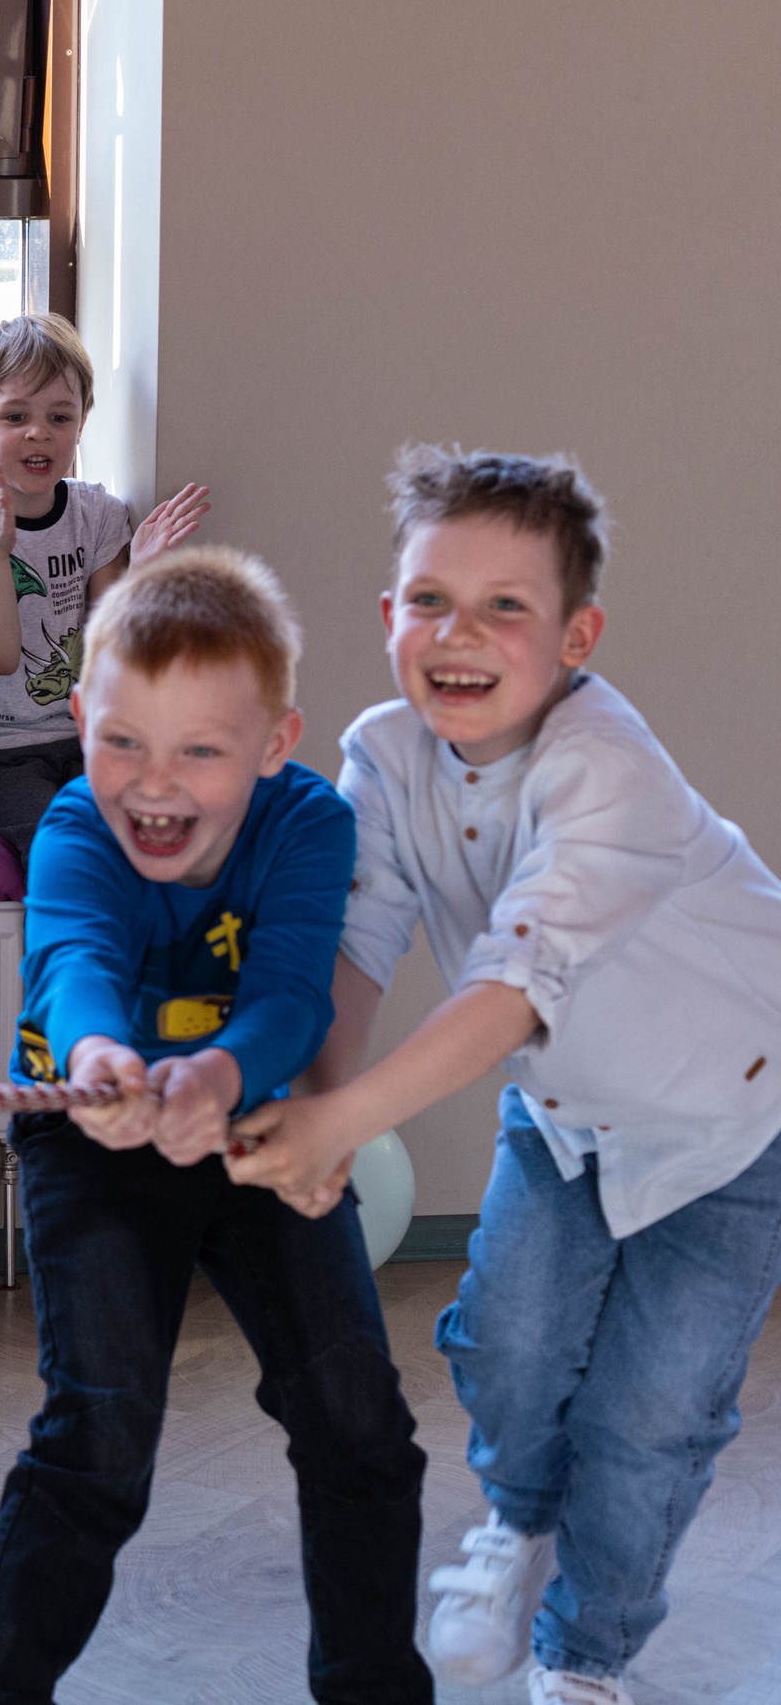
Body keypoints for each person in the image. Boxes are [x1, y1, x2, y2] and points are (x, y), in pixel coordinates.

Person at [227, 450, 781, 1705]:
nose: (456, 634)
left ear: (577, 636)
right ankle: (516, 1524)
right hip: (568, 1118)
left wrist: (341, 1123)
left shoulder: (607, 763)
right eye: (427, 601)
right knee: (513, 1350)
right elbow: (354, 947)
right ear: (385, 620)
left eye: (503, 607)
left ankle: (585, 1657)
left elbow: (516, 983)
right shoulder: (380, 755)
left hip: (737, 1125)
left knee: (652, 1418)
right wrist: (313, 1112)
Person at [0, 548, 432, 1705]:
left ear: (274, 744)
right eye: (122, 741)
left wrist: (218, 1080)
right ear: (79, 720)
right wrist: (102, 1059)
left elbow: (288, 995)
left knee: (356, 1415)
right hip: (88, 1131)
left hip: (253, 1119)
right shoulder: (73, 826)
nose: (152, 786)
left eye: (199, 752)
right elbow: (75, 961)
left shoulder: (310, 826)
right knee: (102, 1431)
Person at [0, 313, 209, 863]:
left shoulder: (98, 514)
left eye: (60, 415)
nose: (39, 432)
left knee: (154, 841)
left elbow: (107, 657)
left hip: (82, 736)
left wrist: (140, 575)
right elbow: (2, 658)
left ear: (81, 423)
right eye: (15, 416)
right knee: (62, 855)